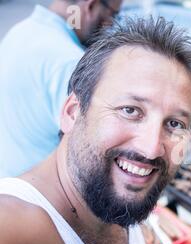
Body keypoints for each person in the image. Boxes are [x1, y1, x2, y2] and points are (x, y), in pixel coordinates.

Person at [0, 16, 191, 244]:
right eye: (130, 110)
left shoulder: (110, 199)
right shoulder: (16, 231)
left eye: (174, 124)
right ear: (72, 113)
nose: (151, 149)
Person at [0, 0, 122, 178]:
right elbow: (91, 157)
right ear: (91, 5)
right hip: (38, 195)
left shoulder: (20, 31)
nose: (110, 24)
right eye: (113, 14)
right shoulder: (70, 62)